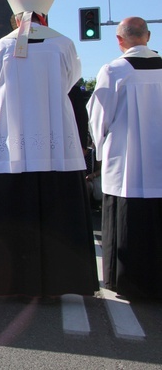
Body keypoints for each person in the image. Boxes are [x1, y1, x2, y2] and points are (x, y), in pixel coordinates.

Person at [0, 0, 98, 299]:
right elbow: (71, 80)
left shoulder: (1, 47)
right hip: (55, 142)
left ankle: (16, 283)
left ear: (16, 18)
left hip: (17, 146)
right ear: (44, 14)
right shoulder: (63, 43)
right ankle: (63, 281)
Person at [87, 16, 162, 299]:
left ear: (120, 40)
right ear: (148, 36)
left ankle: (130, 284)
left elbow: (99, 117)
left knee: (131, 223)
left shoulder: (115, 70)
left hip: (128, 163)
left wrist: (101, 145)